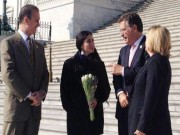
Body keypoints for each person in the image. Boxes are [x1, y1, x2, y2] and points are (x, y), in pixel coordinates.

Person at [0, 4, 49, 135]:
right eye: (36, 20)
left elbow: (45, 73)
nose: (38, 24)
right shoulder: (8, 43)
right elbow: (8, 73)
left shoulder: (39, 47)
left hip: (34, 113)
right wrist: (29, 95)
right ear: (26, 20)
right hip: (16, 112)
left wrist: (42, 92)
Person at [60, 31, 111, 135]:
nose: (92, 44)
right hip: (76, 119)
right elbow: (64, 91)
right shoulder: (69, 64)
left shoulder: (99, 64)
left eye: (93, 41)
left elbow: (106, 89)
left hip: (94, 118)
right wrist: (72, 110)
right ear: (81, 45)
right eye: (89, 41)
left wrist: (97, 99)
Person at [128, 25, 172, 135]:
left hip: (149, 127)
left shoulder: (156, 62)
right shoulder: (156, 61)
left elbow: (151, 96)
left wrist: (142, 127)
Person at [110, 12, 149, 135]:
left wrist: (122, 70)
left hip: (140, 112)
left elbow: (146, 72)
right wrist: (120, 93)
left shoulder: (149, 45)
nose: (121, 34)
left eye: (123, 30)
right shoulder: (123, 50)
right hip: (124, 110)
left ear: (134, 28)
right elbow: (116, 77)